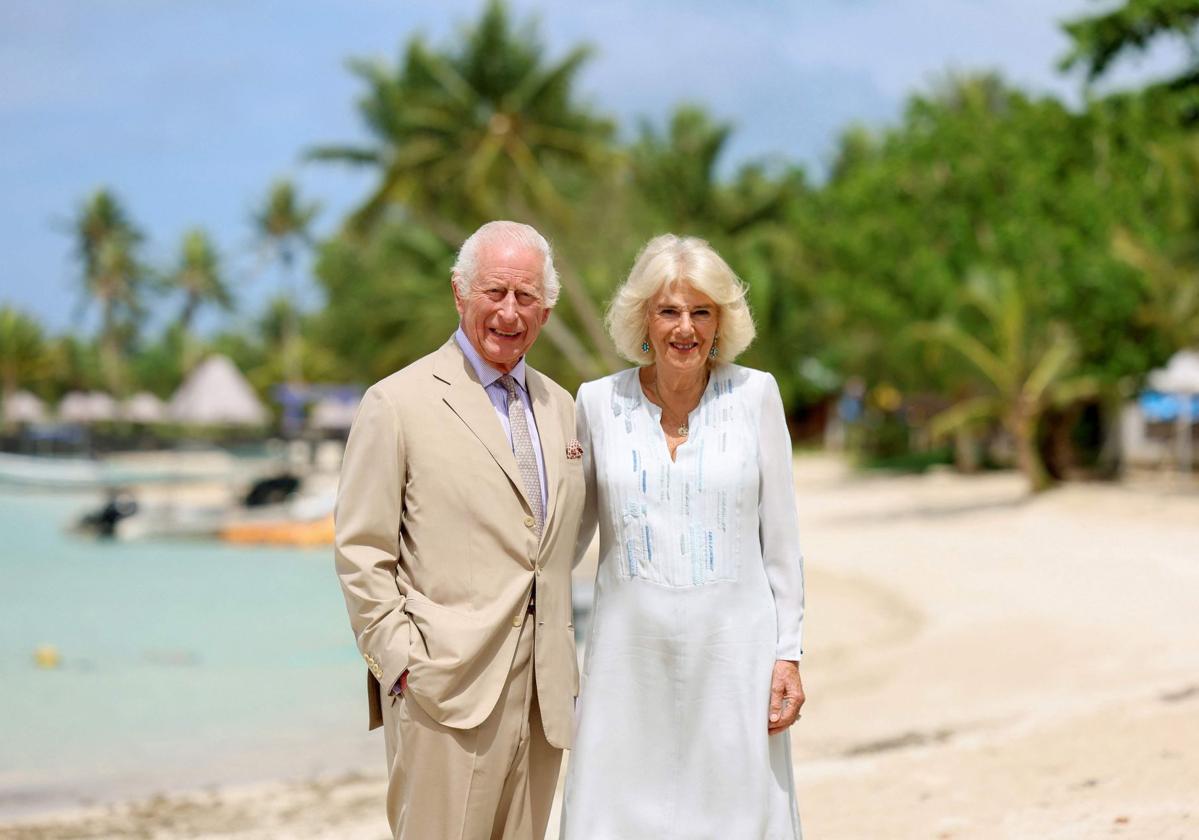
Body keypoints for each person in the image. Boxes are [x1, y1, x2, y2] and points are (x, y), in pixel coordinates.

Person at [335, 221, 586, 840]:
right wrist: (400, 664)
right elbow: (361, 551)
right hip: (443, 693)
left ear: (546, 309)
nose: (509, 311)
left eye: (525, 296)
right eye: (494, 292)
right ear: (459, 294)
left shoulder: (564, 408)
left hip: (543, 696)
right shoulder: (396, 403)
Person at [561, 234, 807, 839]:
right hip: (626, 658)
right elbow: (564, 541)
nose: (685, 328)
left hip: (735, 654)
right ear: (643, 318)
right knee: (615, 815)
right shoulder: (595, 403)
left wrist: (789, 652)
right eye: (669, 310)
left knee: (734, 814)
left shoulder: (757, 396)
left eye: (702, 312)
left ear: (721, 321)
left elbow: (781, 538)